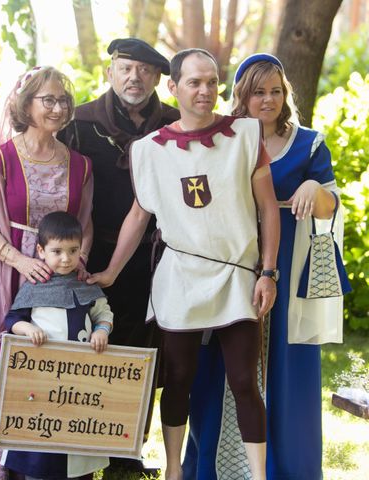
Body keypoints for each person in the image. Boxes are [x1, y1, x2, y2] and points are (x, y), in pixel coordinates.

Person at [89, 48, 281, 480]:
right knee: (177, 378)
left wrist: (267, 271)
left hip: (238, 275)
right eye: (194, 82)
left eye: (212, 82)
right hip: (180, 276)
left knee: (245, 382)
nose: (205, 91)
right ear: (173, 87)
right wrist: (111, 272)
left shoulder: (247, 135)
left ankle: (259, 476)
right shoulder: (150, 150)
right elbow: (139, 215)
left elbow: (268, 209)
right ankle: (175, 471)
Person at [184, 53, 346, 480]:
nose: (268, 100)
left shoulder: (309, 143)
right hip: (233, 266)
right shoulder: (220, 138)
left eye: (276, 91)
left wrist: (313, 186)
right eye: (259, 92)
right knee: (224, 365)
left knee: (286, 369)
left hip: (288, 272)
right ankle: (217, 468)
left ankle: (288, 469)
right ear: (242, 96)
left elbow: (331, 204)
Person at [0, 66, 93, 480]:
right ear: (26, 105)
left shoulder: (80, 165)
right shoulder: (1, 158)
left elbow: (85, 223)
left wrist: (71, 268)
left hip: (59, 277)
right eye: (48, 100)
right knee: (1, 362)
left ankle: (45, 464)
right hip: (6, 274)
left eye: (63, 100)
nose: (58, 108)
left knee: (52, 367)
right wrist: (19, 260)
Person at [58, 40, 179, 472]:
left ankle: (127, 450)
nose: (135, 78)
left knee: (141, 350)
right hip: (90, 250)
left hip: (153, 256)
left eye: (145, 71)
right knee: (91, 343)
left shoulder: (173, 124)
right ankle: (81, 447)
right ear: (110, 72)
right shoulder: (80, 123)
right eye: (126, 68)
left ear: (159, 79)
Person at [3, 211, 112, 479]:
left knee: (78, 442)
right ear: (41, 251)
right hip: (42, 382)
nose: (66, 258)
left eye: (73, 250)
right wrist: (28, 329)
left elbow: (103, 314)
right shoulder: (33, 287)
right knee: (40, 444)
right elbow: (12, 320)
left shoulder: (86, 286)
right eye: (57, 251)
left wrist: (101, 330)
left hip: (81, 382)